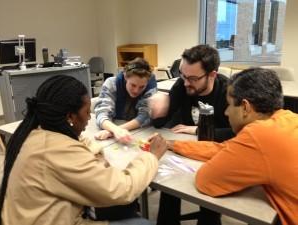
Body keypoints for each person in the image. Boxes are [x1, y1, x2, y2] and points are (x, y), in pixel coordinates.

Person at [0, 75, 167, 225]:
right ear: (70, 116)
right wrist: (150, 156)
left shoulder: (36, 131)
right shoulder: (57, 151)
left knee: (123, 209)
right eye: (87, 112)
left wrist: (91, 148)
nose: (88, 118)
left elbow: (79, 142)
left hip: (33, 216)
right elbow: (121, 189)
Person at [165, 68, 298, 225]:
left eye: (228, 105)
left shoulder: (258, 135)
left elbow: (206, 181)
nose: (227, 112)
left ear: (245, 107)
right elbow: (225, 149)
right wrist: (174, 144)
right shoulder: (288, 119)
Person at [149, 44, 233, 225]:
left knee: (209, 202)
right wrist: (157, 111)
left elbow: (237, 133)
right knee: (168, 186)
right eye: (183, 75)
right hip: (185, 149)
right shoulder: (183, 85)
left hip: (217, 153)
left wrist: (196, 129)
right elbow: (161, 123)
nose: (186, 82)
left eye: (193, 78)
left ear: (212, 75)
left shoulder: (228, 91)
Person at [94, 57, 157, 144]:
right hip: (116, 127)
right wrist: (115, 130)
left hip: (137, 132)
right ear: (125, 76)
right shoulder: (111, 83)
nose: (136, 90)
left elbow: (144, 116)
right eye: (133, 85)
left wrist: (116, 130)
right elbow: (101, 114)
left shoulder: (150, 87)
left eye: (142, 87)